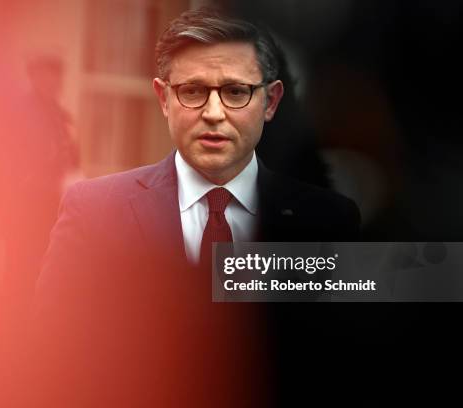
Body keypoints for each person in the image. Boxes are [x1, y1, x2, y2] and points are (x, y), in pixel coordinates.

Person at [33, 8, 359, 407]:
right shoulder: (94, 211)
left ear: (270, 101)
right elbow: (48, 359)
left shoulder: (328, 222)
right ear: (164, 97)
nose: (214, 113)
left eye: (236, 92)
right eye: (193, 91)